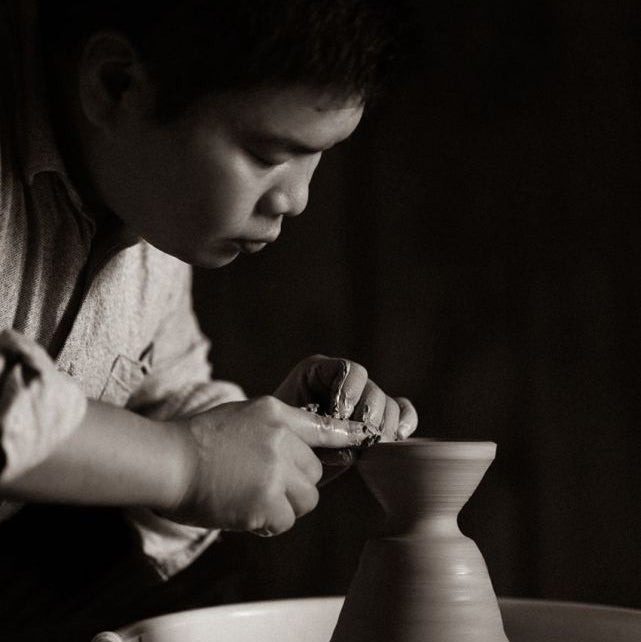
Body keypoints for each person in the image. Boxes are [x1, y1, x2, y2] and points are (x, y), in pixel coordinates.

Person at [0, 0, 418, 638]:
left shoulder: (145, 205)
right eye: (265, 153)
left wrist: (279, 435)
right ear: (116, 84)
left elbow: (151, 404)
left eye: (318, 155)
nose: (296, 198)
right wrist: (185, 463)